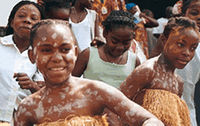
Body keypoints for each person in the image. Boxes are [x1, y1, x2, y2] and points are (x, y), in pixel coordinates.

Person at [13, 19, 164, 126]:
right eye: (46, 50)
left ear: (75, 52)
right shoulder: (29, 108)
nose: (57, 58)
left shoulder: (96, 92)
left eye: (65, 49)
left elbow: (149, 119)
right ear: (32, 56)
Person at [120, 17, 200, 126]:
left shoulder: (178, 83)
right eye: (181, 44)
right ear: (164, 40)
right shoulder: (148, 71)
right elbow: (115, 106)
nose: (187, 53)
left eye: (192, 48)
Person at [0, 1, 44, 125]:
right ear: (11, 22)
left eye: (33, 18)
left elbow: (45, 93)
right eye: (21, 16)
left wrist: (31, 85)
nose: (27, 21)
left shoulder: (41, 54)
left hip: (21, 121)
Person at [72, 10, 140, 89]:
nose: (120, 47)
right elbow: (71, 83)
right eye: (114, 41)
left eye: (126, 43)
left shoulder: (134, 61)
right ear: (105, 33)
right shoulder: (88, 55)